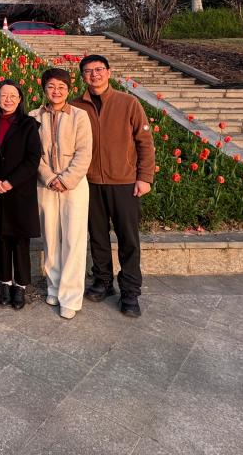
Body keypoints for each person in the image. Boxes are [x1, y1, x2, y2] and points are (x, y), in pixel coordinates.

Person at [72, 54, 154, 318]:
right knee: (97, 235)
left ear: (108, 72)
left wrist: (144, 177)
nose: (94, 75)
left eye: (99, 69)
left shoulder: (128, 103)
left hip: (124, 182)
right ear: (82, 76)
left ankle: (130, 291)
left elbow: (144, 142)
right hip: (89, 182)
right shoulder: (76, 107)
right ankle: (103, 280)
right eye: (88, 71)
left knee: (128, 239)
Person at [30, 67, 92, 320]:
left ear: (68, 90)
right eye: (51, 86)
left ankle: (71, 297)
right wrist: (49, 177)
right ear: (44, 89)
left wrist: (65, 179)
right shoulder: (34, 116)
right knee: (51, 238)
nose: (56, 91)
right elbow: (32, 153)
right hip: (45, 184)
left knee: (73, 240)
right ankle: (53, 287)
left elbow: (84, 152)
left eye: (61, 87)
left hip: (74, 186)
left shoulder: (80, 116)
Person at [0, 79, 42, 310]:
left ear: (20, 99)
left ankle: (21, 285)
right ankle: (4, 282)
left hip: (19, 191)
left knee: (20, 240)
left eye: (13, 95)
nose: (8, 99)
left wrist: (10, 182)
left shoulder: (29, 124)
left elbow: (33, 158)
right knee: (1, 238)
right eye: (4, 95)